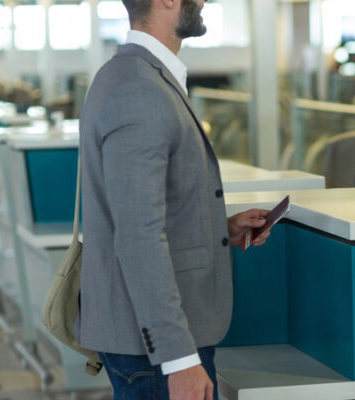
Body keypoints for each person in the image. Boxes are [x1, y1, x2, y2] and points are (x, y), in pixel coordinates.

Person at [78, 1, 272, 399]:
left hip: (152, 345)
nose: (202, 2)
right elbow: (137, 235)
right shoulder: (140, 89)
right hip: (157, 352)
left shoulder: (130, 75)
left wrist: (221, 229)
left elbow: (146, 211)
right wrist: (179, 359)